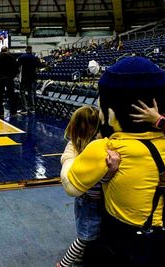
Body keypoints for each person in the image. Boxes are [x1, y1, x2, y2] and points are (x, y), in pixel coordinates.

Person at [60, 57, 165, 267]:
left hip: (120, 241)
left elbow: (70, 185)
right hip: (161, 238)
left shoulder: (106, 148)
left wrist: (70, 153)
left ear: (111, 111)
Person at [57, 106, 121, 267]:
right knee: (85, 236)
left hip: (92, 199)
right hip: (89, 201)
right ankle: (65, 263)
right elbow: (102, 176)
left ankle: (80, 257)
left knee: (93, 232)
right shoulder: (91, 148)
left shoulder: (81, 145)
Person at [0, 46, 18, 118]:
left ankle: (1, 113)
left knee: (0, 96)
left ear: (1, 51)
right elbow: (16, 70)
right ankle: (13, 112)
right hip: (9, 79)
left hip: (0, 79)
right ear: (8, 50)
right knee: (11, 96)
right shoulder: (12, 58)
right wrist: (12, 76)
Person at [17, 46, 42, 114]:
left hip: (24, 78)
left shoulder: (21, 57)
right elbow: (39, 66)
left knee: (22, 92)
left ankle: (25, 109)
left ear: (25, 50)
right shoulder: (34, 57)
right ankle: (32, 108)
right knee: (31, 93)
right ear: (31, 50)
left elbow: (17, 66)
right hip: (32, 78)